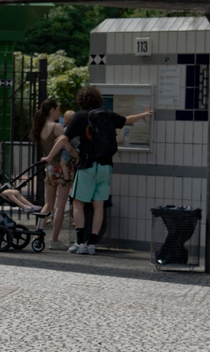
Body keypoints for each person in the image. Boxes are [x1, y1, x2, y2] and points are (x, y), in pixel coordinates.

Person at [45, 86, 152, 255]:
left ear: (81, 100)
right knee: (99, 205)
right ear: (98, 99)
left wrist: (49, 157)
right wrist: (143, 115)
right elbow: (127, 120)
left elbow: (63, 138)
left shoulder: (79, 117)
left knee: (78, 203)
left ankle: (81, 242)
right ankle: (92, 244)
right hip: (105, 166)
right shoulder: (107, 115)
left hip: (87, 165)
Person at [31, 100, 77, 249]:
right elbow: (68, 148)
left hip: (50, 169)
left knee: (48, 204)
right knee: (60, 206)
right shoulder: (57, 127)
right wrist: (77, 156)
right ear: (52, 109)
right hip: (63, 170)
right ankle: (55, 240)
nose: (59, 112)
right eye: (58, 109)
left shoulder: (41, 127)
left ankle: (37, 234)